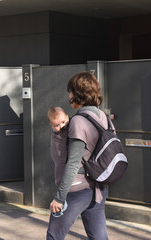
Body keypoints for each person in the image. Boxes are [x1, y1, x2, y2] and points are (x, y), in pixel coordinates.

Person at [46, 71, 111, 240]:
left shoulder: (78, 121)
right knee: (99, 237)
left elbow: (73, 162)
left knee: (54, 236)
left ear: (78, 94)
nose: (69, 96)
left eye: (71, 92)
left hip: (77, 190)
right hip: (98, 188)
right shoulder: (102, 117)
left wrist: (59, 198)